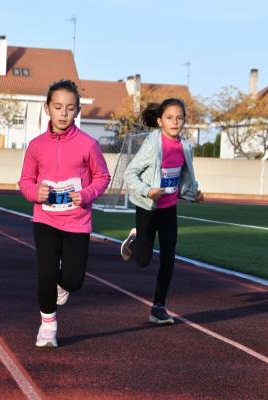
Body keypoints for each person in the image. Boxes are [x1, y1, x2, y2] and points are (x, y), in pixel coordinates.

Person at [19, 79, 110, 348]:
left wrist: (86, 194)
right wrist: (36, 193)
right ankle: (48, 327)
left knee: (73, 280)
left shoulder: (88, 145)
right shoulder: (36, 146)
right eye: (58, 107)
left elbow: (102, 176)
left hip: (77, 222)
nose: (63, 113)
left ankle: (62, 287)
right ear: (47, 108)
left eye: (70, 108)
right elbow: (25, 181)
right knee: (46, 273)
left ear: (78, 111)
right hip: (45, 219)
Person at [120, 99, 204, 325]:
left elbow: (182, 179)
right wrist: (148, 192)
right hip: (148, 207)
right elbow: (129, 174)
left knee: (169, 257)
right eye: (169, 117)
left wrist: (193, 194)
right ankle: (134, 240)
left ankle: (158, 307)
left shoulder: (185, 146)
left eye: (179, 117)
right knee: (143, 260)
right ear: (160, 121)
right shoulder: (152, 145)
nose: (175, 122)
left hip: (168, 209)